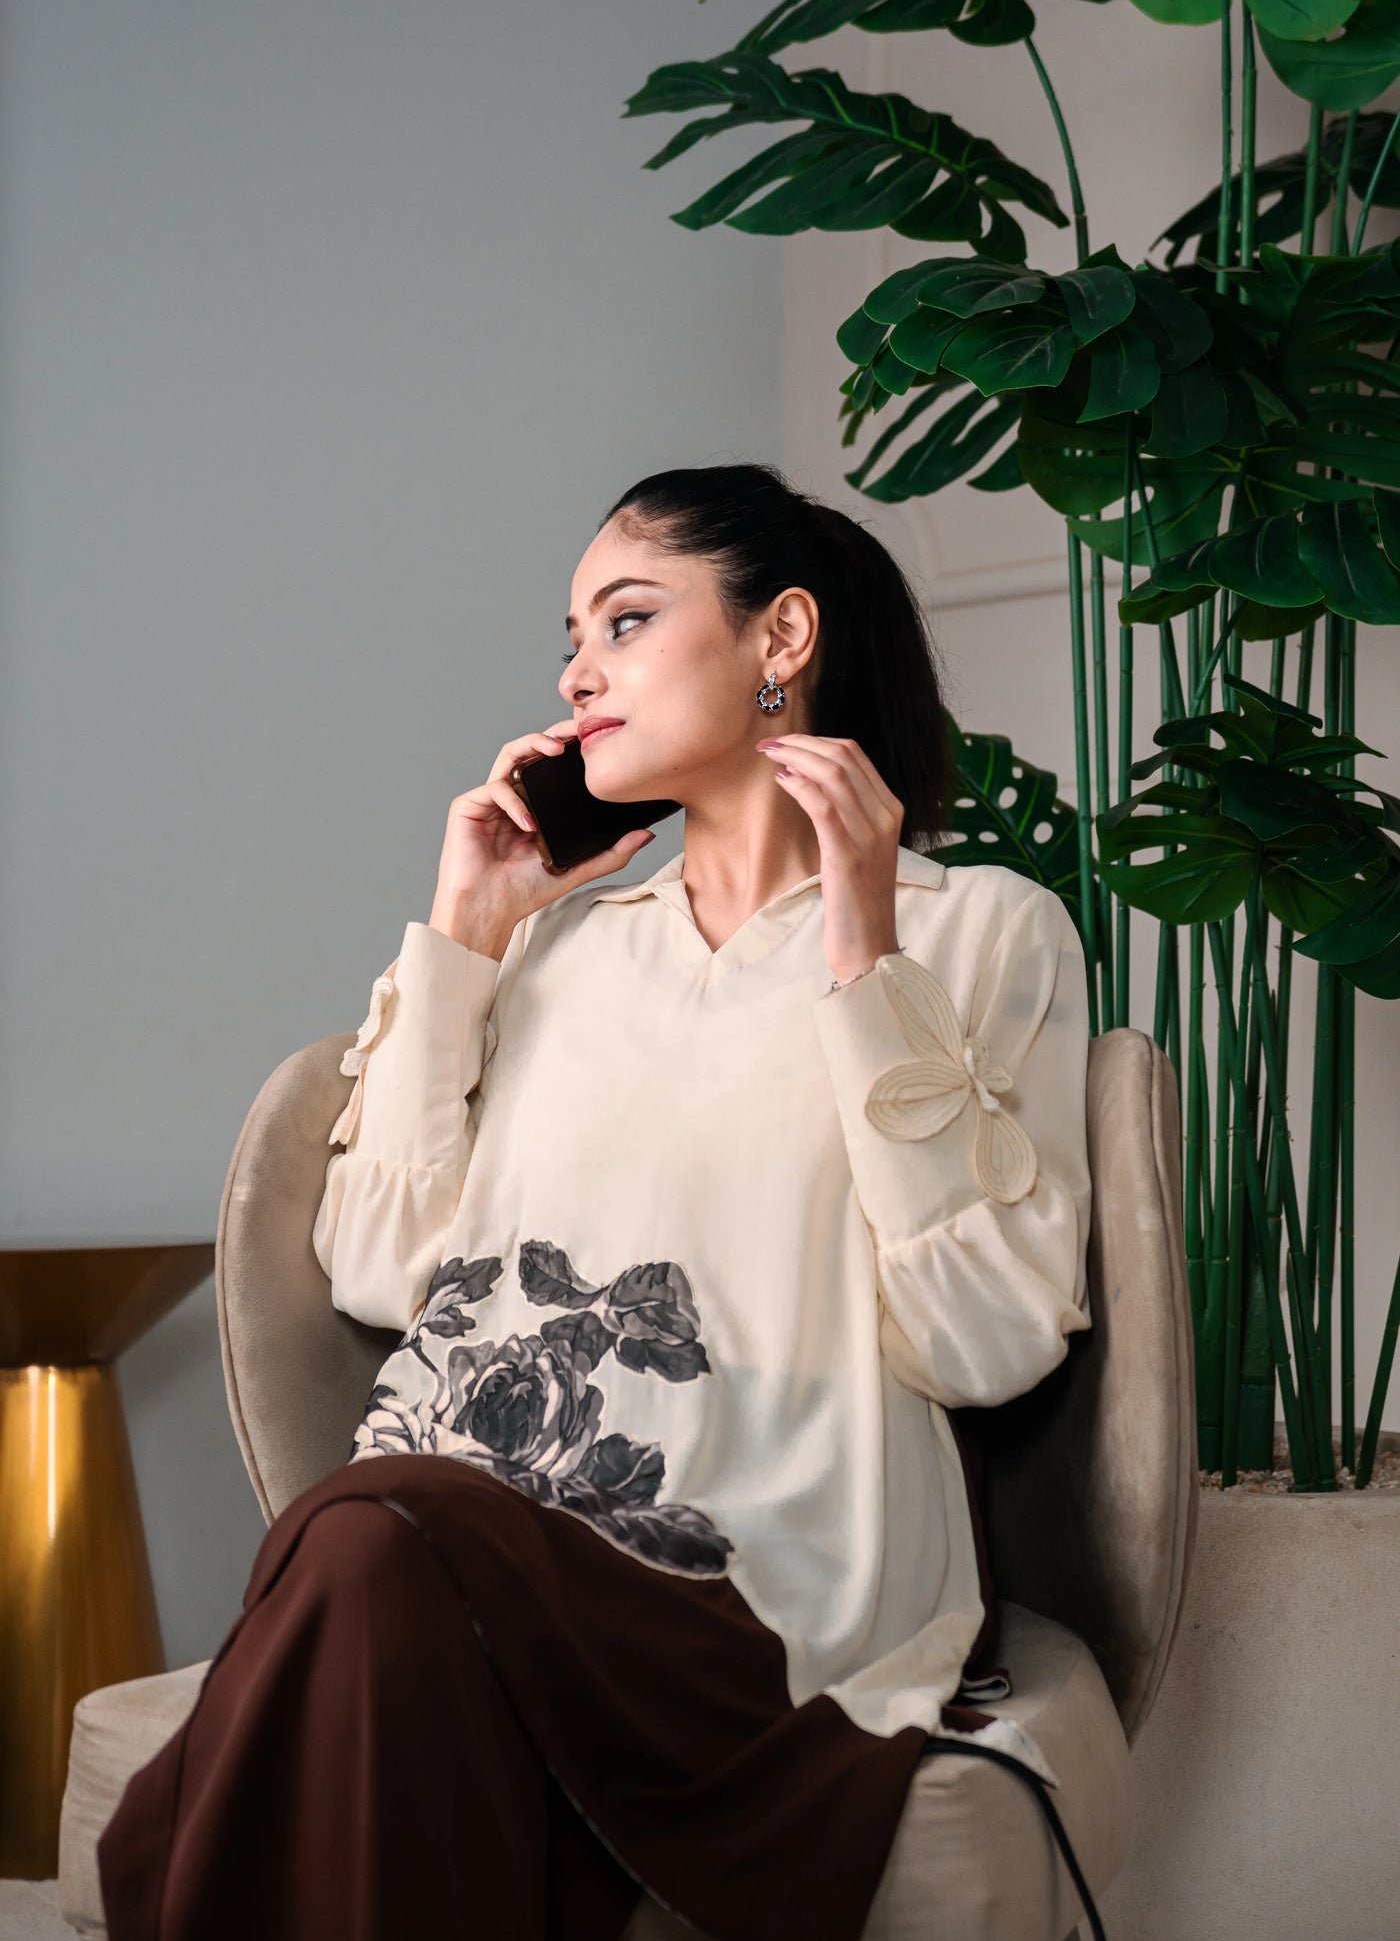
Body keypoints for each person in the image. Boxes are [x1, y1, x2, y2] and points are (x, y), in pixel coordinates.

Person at [97, 461, 1094, 1941]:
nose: (576, 673)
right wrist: (468, 931)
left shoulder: (982, 932)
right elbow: (378, 1268)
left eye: (625, 621)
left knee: (365, 1540)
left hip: (760, 1589)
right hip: (459, 1548)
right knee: (373, 1541)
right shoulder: (559, 951)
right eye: (570, 638)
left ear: (781, 637)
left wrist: (864, 962)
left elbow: (987, 1342)